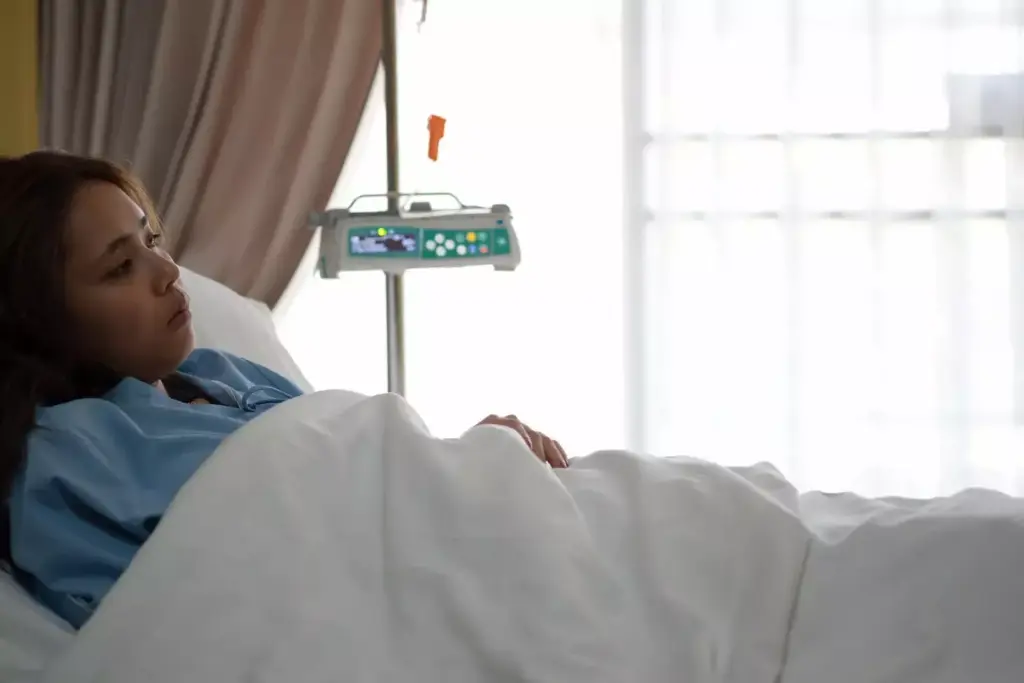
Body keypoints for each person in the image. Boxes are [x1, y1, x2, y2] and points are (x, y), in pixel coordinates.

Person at [0, 151, 568, 630]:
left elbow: (355, 459)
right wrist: (454, 474)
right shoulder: (67, 458)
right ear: (39, 318)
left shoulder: (221, 372)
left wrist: (467, 455)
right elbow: (218, 597)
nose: (168, 270)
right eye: (122, 266)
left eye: (152, 240)